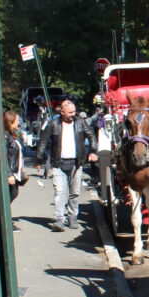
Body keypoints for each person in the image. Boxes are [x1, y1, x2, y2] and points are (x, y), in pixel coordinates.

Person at [36, 99, 97, 231]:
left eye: (74, 111)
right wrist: (39, 159)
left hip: (76, 163)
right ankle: (59, 219)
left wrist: (93, 151)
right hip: (59, 164)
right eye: (70, 112)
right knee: (59, 192)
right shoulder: (53, 124)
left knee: (74, 193)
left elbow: (91, 136)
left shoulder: (80, 122)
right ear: (62, 112)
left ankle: (73, 217)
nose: (73, 114)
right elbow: (43, 141)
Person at [4, 110, 26, 232]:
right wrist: (9, 174)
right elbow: (5, 156)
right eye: (17, 121)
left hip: (15, 172)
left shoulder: (12, 134)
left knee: (13, 194)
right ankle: (5, 222)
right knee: (10, 195)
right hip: (10, 173)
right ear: (10, 121)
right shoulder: (6, 136)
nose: (18, 123)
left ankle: (5, 220)